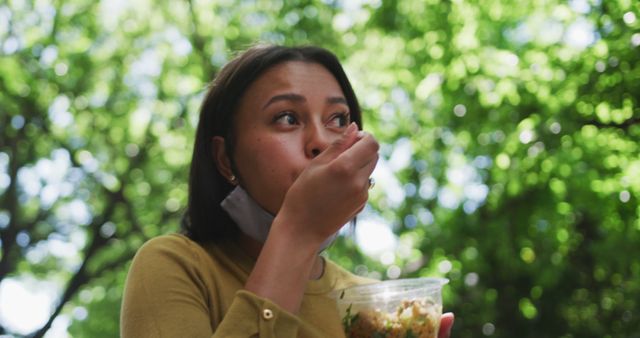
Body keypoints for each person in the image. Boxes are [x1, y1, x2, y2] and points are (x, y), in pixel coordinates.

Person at [120, 44, 454, 337]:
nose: (322, 141)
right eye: (287, 118)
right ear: (225, 159)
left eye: (338, 119)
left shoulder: (369, 302)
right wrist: (298, 230)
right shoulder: (176, 266)